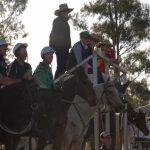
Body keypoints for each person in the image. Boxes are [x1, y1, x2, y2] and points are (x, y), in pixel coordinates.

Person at [49, 3, 74, 79]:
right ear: (61, 13)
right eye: (65, 11)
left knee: (66, 66)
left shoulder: (65, 22)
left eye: (67, 11)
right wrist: (51, 48)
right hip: (60, 48)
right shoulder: (57, 21)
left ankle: (61, 83)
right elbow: (53, 34)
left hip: (65, 48)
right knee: (61, 67)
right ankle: (56, 84)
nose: (67, 13)